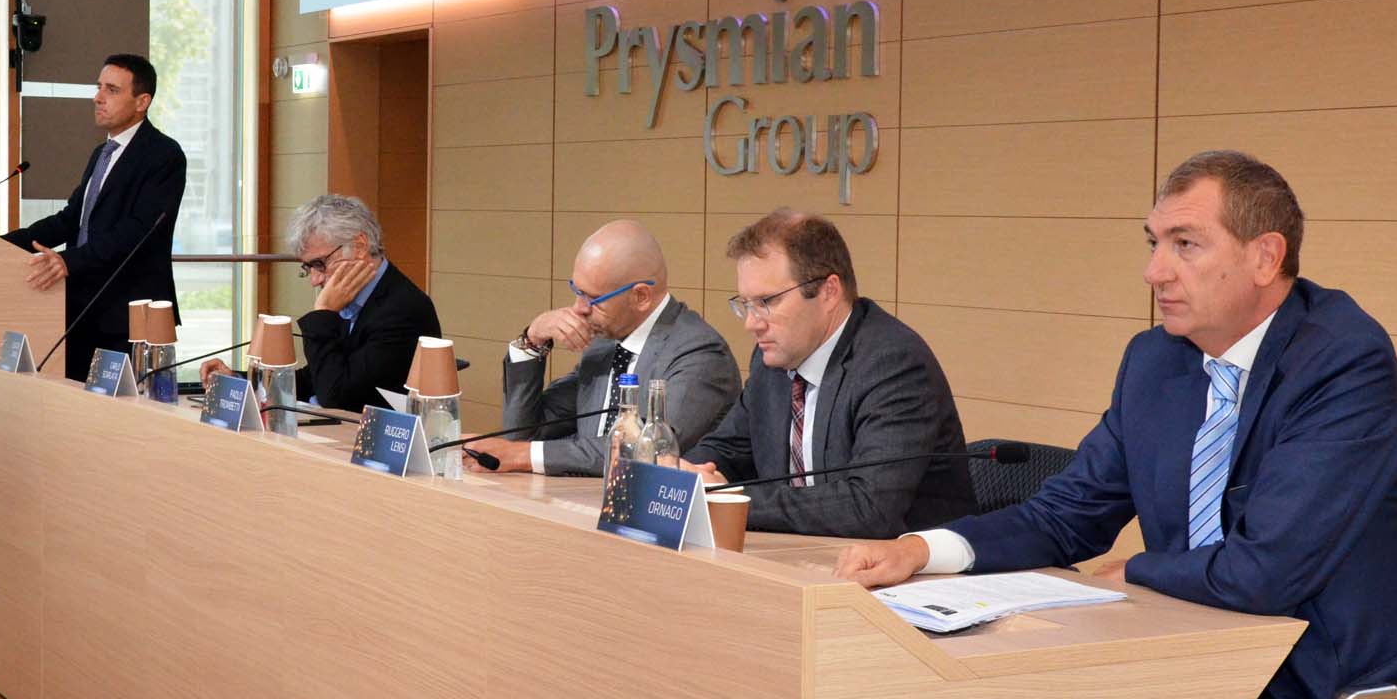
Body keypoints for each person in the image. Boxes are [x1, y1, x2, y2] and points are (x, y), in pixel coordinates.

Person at [832, 151, 1397, 699]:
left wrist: (1137, 570)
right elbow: (1066, 513)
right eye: (1153, 243)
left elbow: (1264, 572)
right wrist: (922, 549)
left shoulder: (1343, 363)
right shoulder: (1156, 361)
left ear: (1264, 257)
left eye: (1185, 244)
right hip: (1197, 672)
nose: (1154, 270)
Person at [679, 209, 975, 536]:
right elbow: (728, 450)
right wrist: (686, 475)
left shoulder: (892, 364)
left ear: (828, 291)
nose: (752, 323)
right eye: (746, 304)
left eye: (766, 302)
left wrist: (730, 499)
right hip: (801, 553)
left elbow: (868, 506)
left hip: (899, 561)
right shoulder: (772, 361)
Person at [464, 220, 739, 475]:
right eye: (577, 291)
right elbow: (522, 435)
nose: (578, 308)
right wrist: (532, 341)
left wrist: (524, 455)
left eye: (592, 298)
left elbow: (645, 450)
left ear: (641, 296)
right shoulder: (605, 346)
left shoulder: (700, 354)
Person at [3, 53, 184, 380]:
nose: (98, 97)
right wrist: (0, 244)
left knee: (120, 408)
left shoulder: (163, 155)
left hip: (129, 315)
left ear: (142, 101)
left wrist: (69, 261)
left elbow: (139, 231)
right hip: (82, 309)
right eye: (98, 87)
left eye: (112, 90)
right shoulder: (101, 153)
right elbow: (70, 220)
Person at [207, 194, 439, 410]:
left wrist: (323, 313)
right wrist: (236, 381)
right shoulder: (351, 298)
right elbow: (313, 379)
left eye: (320, 264)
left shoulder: (403, 309)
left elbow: (335, 397)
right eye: (308, 268)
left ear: (359, 246)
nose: (315, 280)